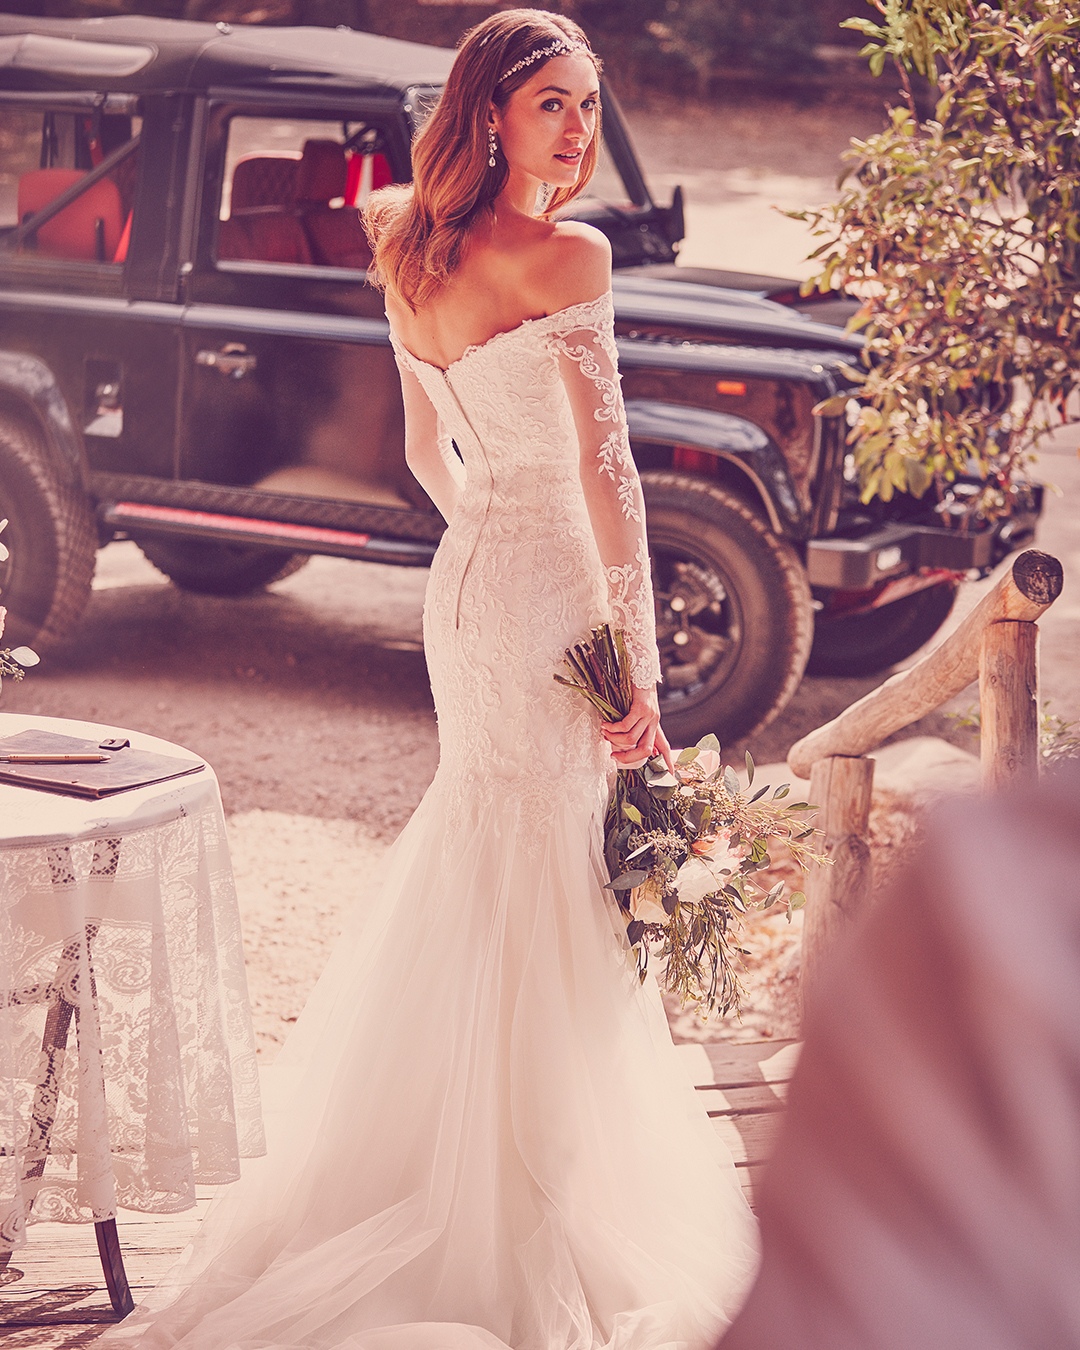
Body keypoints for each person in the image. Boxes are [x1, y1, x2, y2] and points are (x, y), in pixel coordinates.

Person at [100, 11, 757, 1349]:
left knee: (489, 850)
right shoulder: (570, 255)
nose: (579, 130)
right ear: (495, 115)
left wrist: (488, 534)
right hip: (552, 601)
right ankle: (525, 1190)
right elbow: (611, 471)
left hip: (473, 595)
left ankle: (451, 1166)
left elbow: (420, 447)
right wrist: (638, 668)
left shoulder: (406, 243)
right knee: (550, 866)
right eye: (555, 105)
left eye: (589, 104)